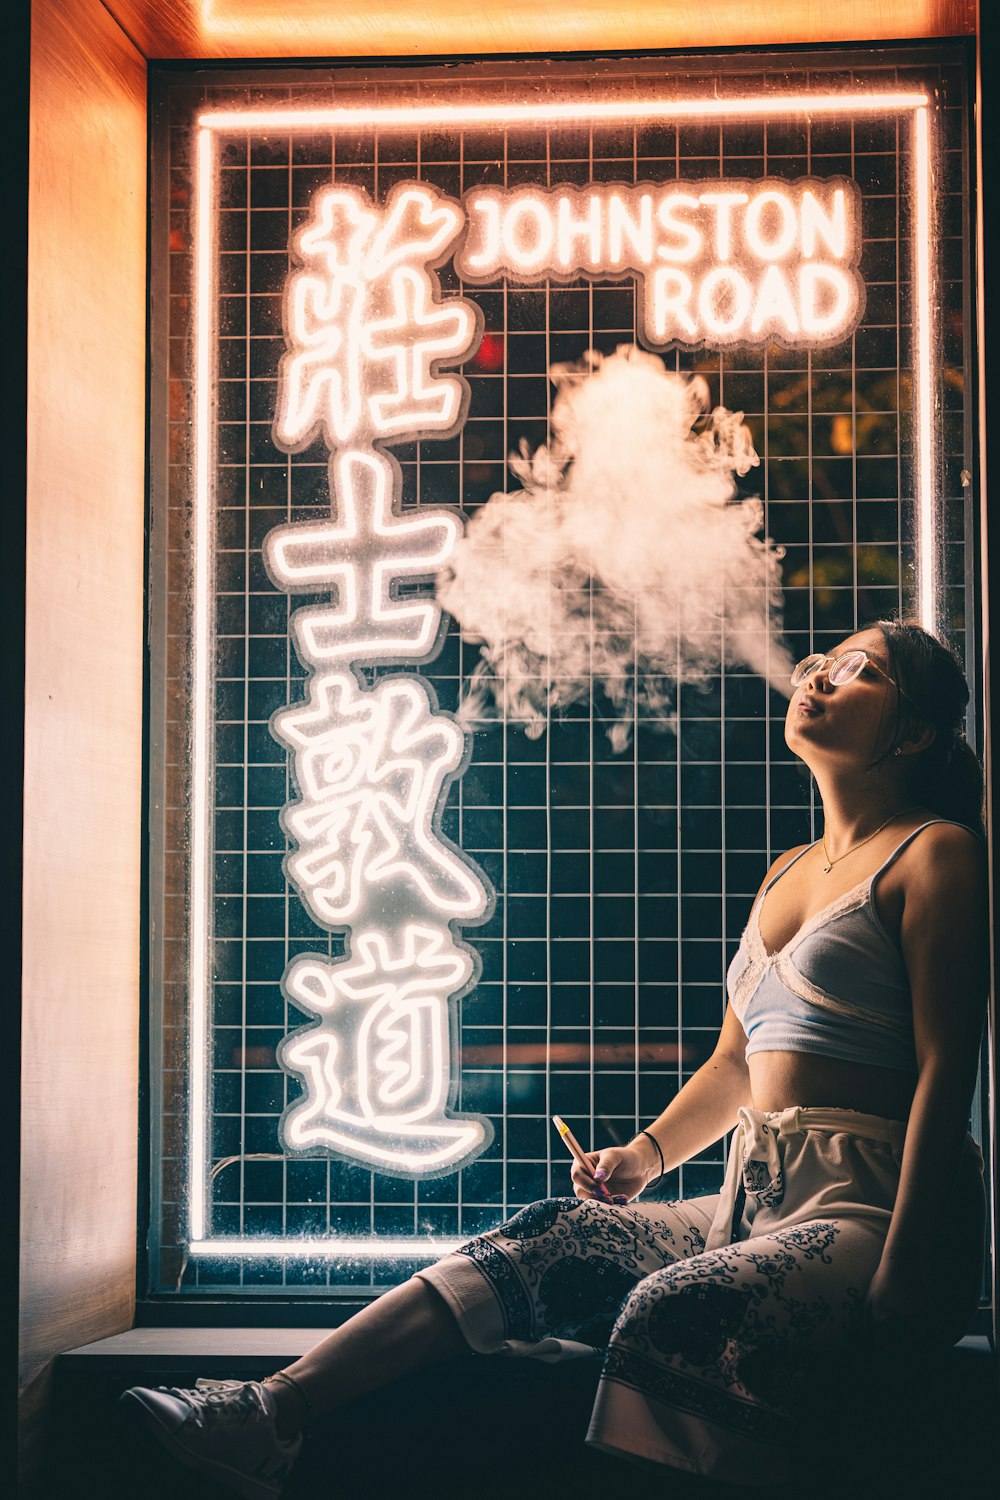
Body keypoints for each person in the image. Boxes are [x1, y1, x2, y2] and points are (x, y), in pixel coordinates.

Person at [122, 620, 989, 1499]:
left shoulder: (937, 853)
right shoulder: (786, 871)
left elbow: (949, 1069)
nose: (819, 678)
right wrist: (645, 1157)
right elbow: (735, 1065)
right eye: (817, 664)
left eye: (858, 672)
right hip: (748, 1198)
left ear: (914, 730)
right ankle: (266, 1414)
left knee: (673, 1310)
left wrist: (910, 1255)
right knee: (547, 1234)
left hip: (871, 1212)